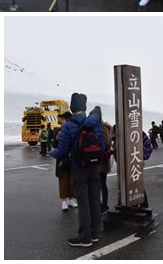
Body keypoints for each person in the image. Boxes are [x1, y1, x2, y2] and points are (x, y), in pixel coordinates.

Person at [50, 93, 104, 247]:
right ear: (85, 107)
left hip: (78, 168)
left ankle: (84, 238)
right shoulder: (95, 123)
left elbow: (61, 151)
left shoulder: (69, 126)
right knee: (95, 200)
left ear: (73, 108)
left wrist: (53, 153)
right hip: (94, 167)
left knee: (83, 203)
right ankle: (94, 235)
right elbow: (102, 146)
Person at [90, 107, 113, 215]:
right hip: (98, 161)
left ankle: (104, 205)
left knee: (102, 184)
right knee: (97, 184)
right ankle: (99, 204)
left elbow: (106, 143)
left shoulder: (103, 128)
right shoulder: (97, 127)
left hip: (102, 161)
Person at [54, 112, 77, 211]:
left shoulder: (73, 129)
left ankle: (71, 199)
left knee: (71, 179)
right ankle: (64, 201)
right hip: (62, 160)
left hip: (71, 158)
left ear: (68, 120)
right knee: (63, 180)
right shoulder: (59, 130)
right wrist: (56, 139)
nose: (61, 121)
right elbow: (54, 145)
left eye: (63, 119)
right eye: (61, 119)